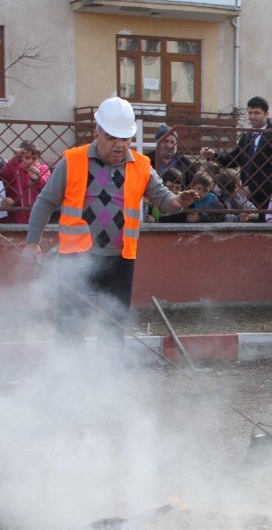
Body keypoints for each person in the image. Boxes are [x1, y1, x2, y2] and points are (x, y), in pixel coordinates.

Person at [22, 96, 198, 349]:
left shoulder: (141, 165)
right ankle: (68, 379)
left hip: (120, 259)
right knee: (70, 325)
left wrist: (179, 201)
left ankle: (110, 380)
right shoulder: (72, 161)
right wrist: (32, 243)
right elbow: (45, 201)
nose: (119, 145)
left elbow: (164, 201)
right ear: (97, 132)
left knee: (114, 326)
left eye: (125, 139)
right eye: (112, 138)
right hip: (77, 258)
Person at [201, 96, 272, 216]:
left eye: (257, 113)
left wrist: (252, 188)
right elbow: (232, 160)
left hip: (267, 196)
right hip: (247, 196)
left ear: (266, 114)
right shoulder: (247, 136)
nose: (252, 116)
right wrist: (213, 155)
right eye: (250, 113)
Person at [0, 141, 51, 224]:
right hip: (19, 215)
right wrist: (15, 159)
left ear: (39, 158)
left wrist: (37, 179)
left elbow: (46, 185)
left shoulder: (42, 169)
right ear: (21, 158)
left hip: (39, 215)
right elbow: (5, 174)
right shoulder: (17, 169)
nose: (31, 161)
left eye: (34, 158)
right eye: (27, 158)